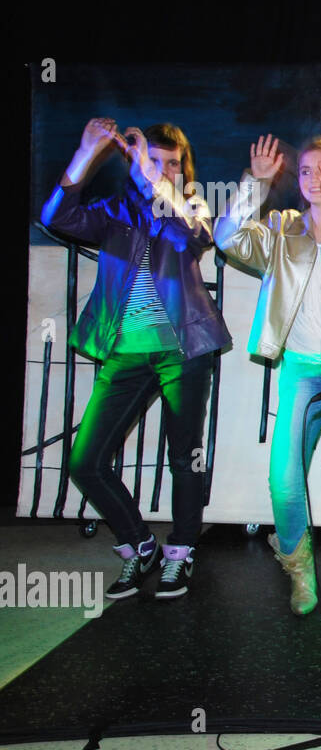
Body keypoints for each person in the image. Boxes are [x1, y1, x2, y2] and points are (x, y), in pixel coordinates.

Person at [40, 118, 230, 599]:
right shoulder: (114, 210)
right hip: (126, 352)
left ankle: (181, 552)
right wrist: (85, 153)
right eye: (154, 159)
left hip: (183, 349)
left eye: (172, 163)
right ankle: (139, 543)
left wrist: (155, 180)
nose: (161, 168)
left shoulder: (190, 204)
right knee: (85, 462)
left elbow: (194, 237)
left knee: (183, 458)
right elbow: (55, 217)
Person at [216, 135, 321, 614]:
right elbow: (226, 237)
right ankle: (299, 569)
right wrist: (255, 183)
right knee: (284, 473)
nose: (315, 178)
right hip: (301, 366)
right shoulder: (280, 229)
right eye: (308, 170)